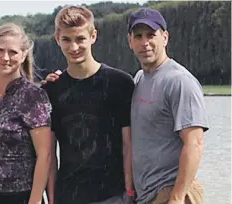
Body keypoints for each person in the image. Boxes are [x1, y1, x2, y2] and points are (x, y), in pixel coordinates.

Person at [41, 5, 135, 204]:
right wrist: (52, 200)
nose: (74, 47)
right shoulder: (52, 90)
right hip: (68, 196)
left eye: (80, 39)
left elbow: (128, 144)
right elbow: (50, 154)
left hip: (113, 195)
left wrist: (129, 192)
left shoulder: (121, 83)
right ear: (57, 39)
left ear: (93, 36)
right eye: (67, 39)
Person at [127, 8, 209, 204]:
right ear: (130, 41)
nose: (145, 42)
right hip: (149, 195)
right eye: (138, 36)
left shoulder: (179, 81)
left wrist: (177, 197)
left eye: (151, 35)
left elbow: (195, 143)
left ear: (165, 37)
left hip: (173, 192)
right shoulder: (139, 78)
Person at [0, 23, 53, 204]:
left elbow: (45, 154)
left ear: (24, 54)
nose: (5, 57)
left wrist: (34, 201)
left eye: (13, 52)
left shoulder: (32, 96)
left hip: (20, 196)